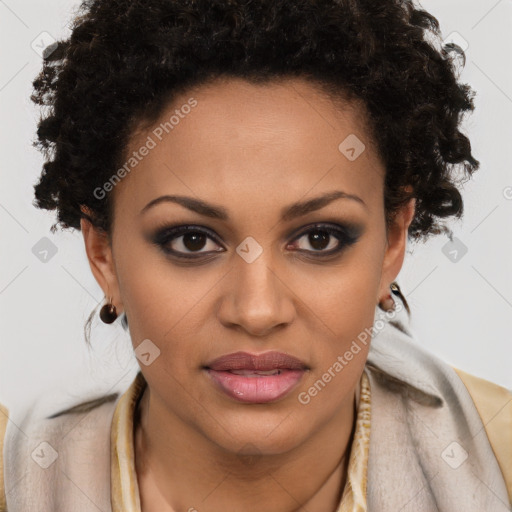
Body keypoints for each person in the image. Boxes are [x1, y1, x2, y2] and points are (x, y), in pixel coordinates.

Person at [2, 0, 511, 510]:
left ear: (392, 241)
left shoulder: (501, 462)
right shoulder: (15, 482)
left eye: (319, 239)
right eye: (192, 240)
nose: (258, 311)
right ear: (103, 253)